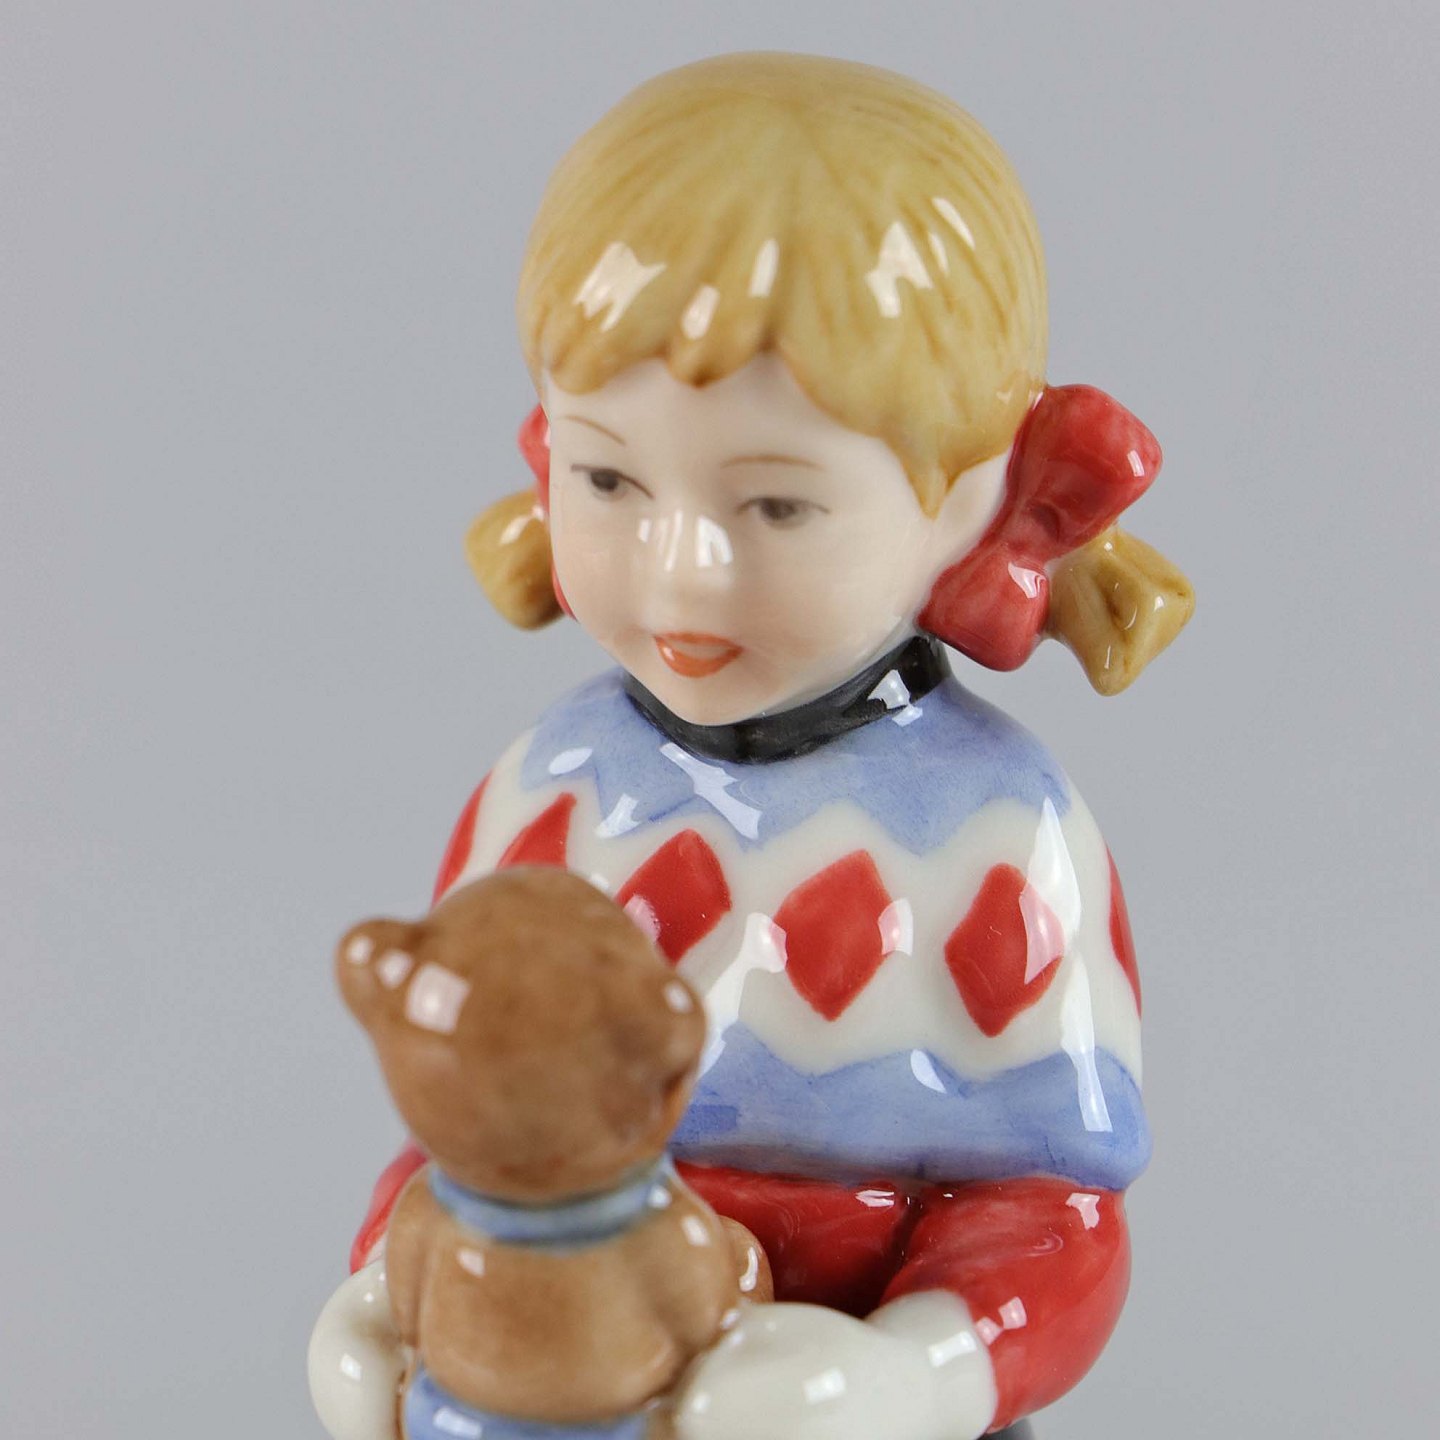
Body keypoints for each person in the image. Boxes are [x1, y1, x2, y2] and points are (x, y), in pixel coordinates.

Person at [309, 52, 1192, 1440]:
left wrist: (907, 1374)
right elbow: (459, 1130)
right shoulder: (548, 800)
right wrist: (382, 1298)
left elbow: (1056, 1221)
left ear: (972, 496)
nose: (680, 574)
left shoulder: (997, 839)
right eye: (610, 477)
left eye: (776, 507)